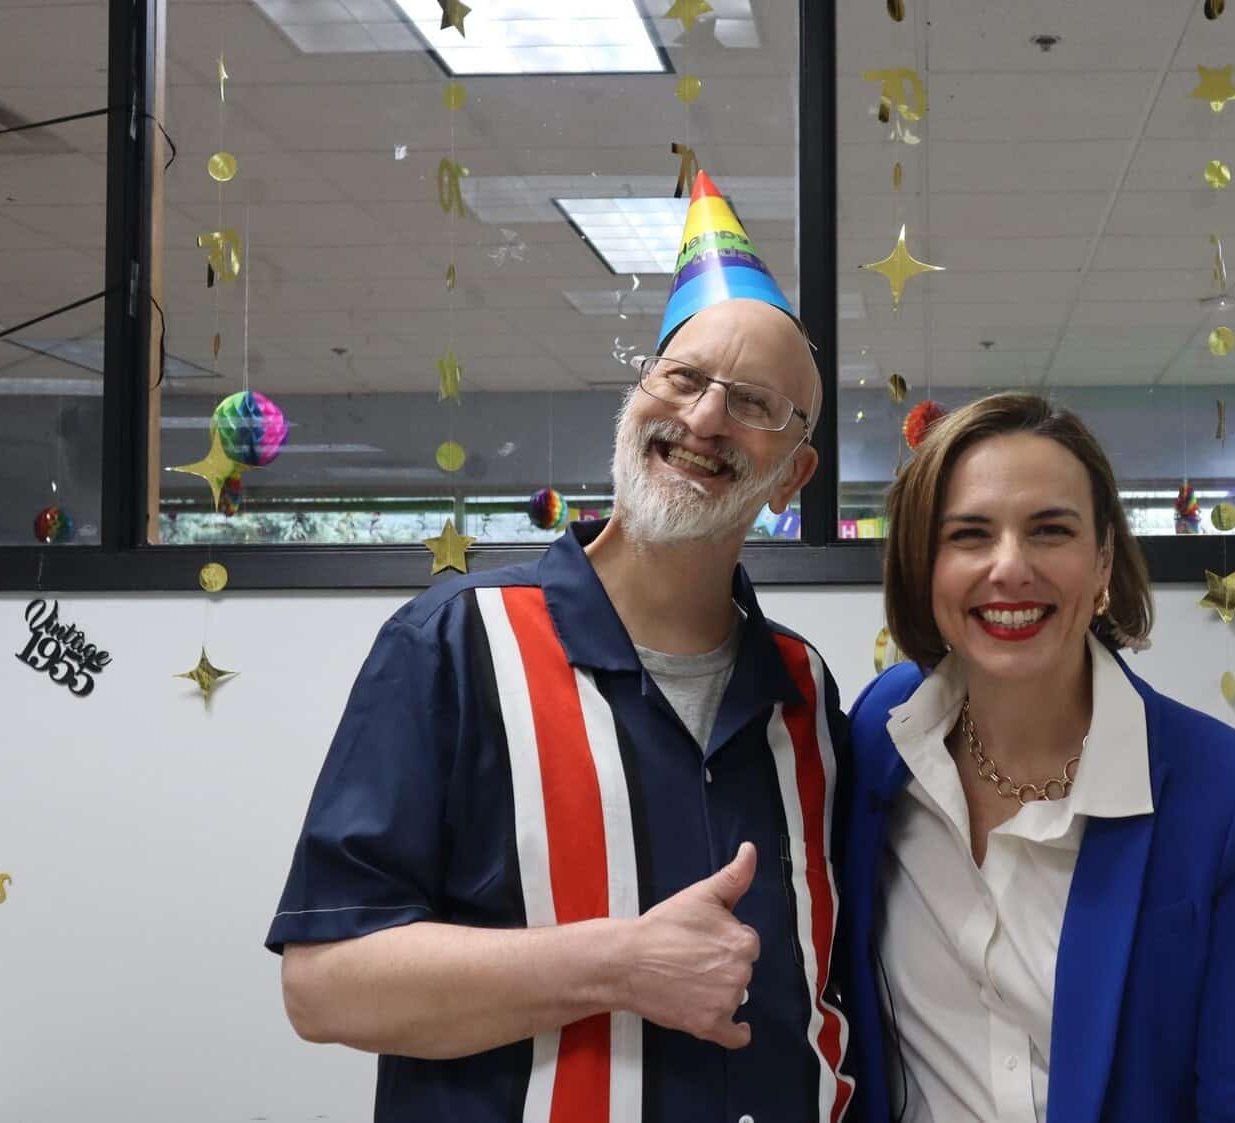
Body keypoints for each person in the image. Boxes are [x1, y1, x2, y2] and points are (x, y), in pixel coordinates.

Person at [268, 172, 855, 1123]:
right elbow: (326, 983)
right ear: (638, 397)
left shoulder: (804, 690)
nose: (704, 418)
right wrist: (620, 963)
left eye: (751, 402)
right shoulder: (454, 643)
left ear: (793, 475)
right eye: (685, 378)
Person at [841, 393, 1235, 1122]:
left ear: (1102, 563)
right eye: (969, 534)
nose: (1010, 568)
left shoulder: (1234, 801)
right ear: (923, 567)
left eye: (1049, 530)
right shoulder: (881, 737)